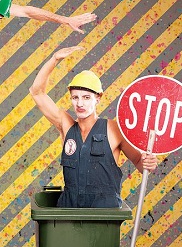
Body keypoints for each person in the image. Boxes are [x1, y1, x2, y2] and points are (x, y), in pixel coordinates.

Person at [29, 46, 158, 208]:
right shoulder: (66, 125)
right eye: (75, 97)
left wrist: (149, 163)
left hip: (104, 215)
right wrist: (54, 59)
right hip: (69, 212)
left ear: (98, 98)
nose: (80, 103)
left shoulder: (114, 129)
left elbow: (139, 160)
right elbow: (37, 92)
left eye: (86, 97)